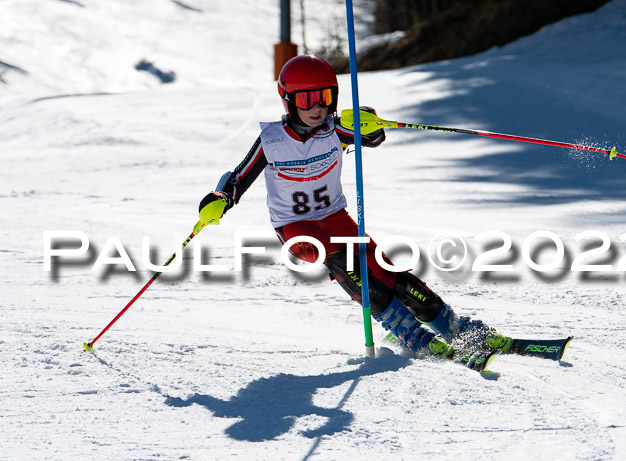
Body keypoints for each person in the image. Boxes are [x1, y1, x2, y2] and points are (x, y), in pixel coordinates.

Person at [199, 55, 511, 367]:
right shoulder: (272, 140)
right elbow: (239, 176)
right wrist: (221, 196)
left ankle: (452, 326)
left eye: (325, 97)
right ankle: (407, 330)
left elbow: (373, 138)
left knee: (384, 271)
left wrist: (369, 123)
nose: (317, 107)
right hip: (295, 227)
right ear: (288, 101)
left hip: (335, 217)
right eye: (307, 99)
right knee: (340, 259)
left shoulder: (334, 130)